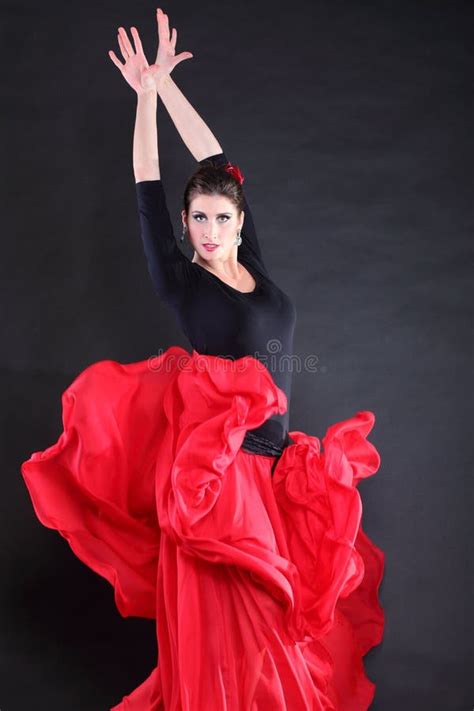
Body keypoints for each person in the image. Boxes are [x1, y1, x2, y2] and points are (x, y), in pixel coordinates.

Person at [20, 8, 385, 710]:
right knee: (233, 642)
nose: (211, 229)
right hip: (219, 484)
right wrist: (145, 97)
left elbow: (214, 159)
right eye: (199, 219)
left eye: (222, 217)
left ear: (241, 223)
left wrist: (170, 83)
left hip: (275, 477)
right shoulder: (182, 282)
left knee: (275, 635)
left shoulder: (257, 266)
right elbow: (148, 182)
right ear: (186, 228)